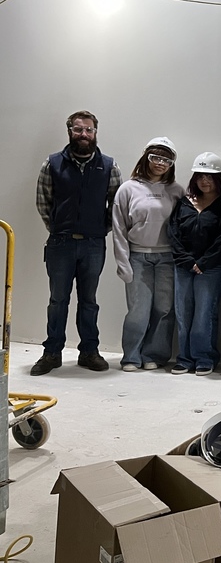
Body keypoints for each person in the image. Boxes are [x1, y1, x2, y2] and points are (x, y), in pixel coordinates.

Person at [31, 110, 122, 376]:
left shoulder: (109, 166)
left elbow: (115, 206)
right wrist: (59, 227)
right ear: (69, 130)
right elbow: (43, 201)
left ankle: (89, 352)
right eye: (78, 129)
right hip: (60, 243)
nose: (84, 134)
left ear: (95, 132)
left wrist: (99, 230)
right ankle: (52, 353)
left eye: (89, 130)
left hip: (94, 245)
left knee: (89, 300)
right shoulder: (52, 164)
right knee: (58, 300)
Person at [112, 137, 184, 371]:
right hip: (138, 257)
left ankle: (154, 355)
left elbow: (183, 226)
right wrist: (122, 262)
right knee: (138, 310)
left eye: (167, 159)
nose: (160, 163)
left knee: (164, 309)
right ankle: (131, 356)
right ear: (146, 157)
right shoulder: (128, 189)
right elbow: (119, 228)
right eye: (156, 157)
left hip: (167, 258)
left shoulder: (176, 190)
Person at [168, 152, 221, 376]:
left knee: (204, 313)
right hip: (184, 266)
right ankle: (184, 358)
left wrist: (204, 262)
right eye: (201, 176)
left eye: (210, 176)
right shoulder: (184, 202)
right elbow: (173, 232)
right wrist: (186, 260)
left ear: (218, 179)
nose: (205, 181)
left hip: (210, 267)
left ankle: (204, 357)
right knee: (183, 313)